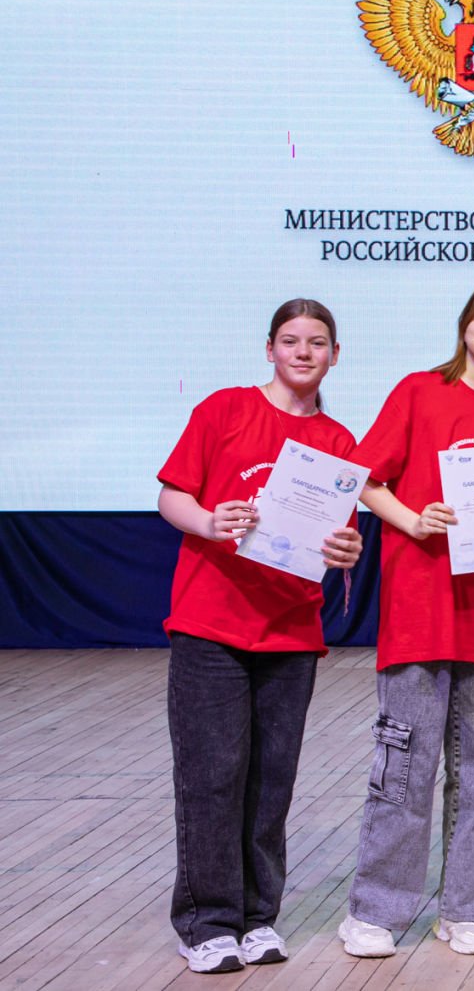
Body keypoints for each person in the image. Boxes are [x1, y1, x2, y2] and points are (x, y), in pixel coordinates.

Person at [157, 299, 364, 974]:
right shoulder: (225, 410)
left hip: (290, 633)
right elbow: (171, 496)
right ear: (270, 348)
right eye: (291, 340)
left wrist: (346, 549)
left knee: (272, 783)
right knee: (212, 776)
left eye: (317, 342)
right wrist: (209, 521)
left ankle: (256, 917)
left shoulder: (338, 442)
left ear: (335, 354)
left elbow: (339, 535)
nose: (303, 352)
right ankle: (207, 922)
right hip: (210, 625)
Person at [339, 279, 474, 959]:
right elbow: (364, 479)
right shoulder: (419, 391)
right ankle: (376, 908)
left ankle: (467, 908)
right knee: (404, 765)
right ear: (463, 324)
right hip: (420, 612)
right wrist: (413, 520)